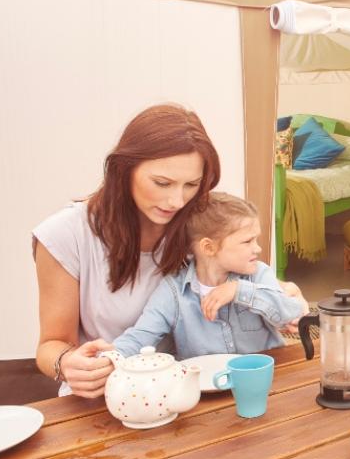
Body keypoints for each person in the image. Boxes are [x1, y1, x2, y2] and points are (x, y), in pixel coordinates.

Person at [32, 104, 305, 398]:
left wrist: (284, 291)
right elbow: (51, 345)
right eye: (162, 183)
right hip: (104, 393)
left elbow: (232, 273)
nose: (176, 201)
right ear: (124, 169)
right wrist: (66, 364)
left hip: (181, 394)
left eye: (191, 184)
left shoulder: (195, 224)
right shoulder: (66, 234)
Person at [112, 193, 306, 358]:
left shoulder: (257, 274)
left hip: (266, 379)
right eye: (247, 241)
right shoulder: (173, 292)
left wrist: (239, 291)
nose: (257, 248)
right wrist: (110, 358)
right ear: (209, 247)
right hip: (206, 390)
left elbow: (290, 313)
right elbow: (142, 334)